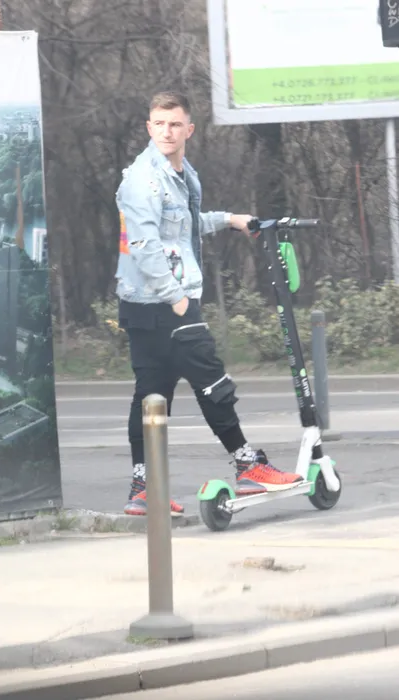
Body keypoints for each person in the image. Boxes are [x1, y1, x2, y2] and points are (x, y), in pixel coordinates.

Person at [115, 91, 302, 516]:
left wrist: (230, 220)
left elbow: (181, 226)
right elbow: (144, 245)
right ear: (149, 127)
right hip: (163, 300)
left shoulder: (180, 174)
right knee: (212, 380)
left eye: (174, 124)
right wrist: (178, 301)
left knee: (151, 394)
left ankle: (143, 488)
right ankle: (248, 466)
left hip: (147, 303)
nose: (166, 131)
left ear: (189, 130)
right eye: (159, 124)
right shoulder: (144, 179)